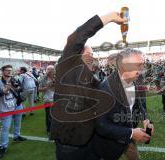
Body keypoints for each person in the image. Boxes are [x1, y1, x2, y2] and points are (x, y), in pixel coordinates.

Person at [50, 12, 127, 160]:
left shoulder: (92, 78)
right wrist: (109, 18)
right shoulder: (67, 68)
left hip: (91, 143)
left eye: (93, 54)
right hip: (70, 146)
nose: (92, 57)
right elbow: (76, 37)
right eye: (88, 54)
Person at [92, 48, 154, 160]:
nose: (141, 70)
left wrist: (146, 119)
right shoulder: (105, 89)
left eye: (142, 65)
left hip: (128, 138)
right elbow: (101, 126)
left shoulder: (133, 81)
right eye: (138, 66)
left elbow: (138, 105)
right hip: (109, 143)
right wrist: (130, 133)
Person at [0, 65, 27, 159]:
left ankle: (17, 136)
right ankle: (3, 147)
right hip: (5, 108)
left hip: (17, 105)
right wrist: (4, 91)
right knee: (5, 128)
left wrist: (16, 88)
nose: (9, 72)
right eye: (7, 70)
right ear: (2, 71)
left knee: (18, 123)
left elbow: (21, 88)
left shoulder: (14, 79)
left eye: (10, 70)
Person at [38, 65, 55, 135]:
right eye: (48, 69)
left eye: (51, 69)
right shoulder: (43, 79)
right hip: (48, 100)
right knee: (49, 116)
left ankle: (55, 129)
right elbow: (39, 89)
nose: (50, 71)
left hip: (57, 99)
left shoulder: (57, 78)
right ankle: (49, 130)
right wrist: (47, 87)